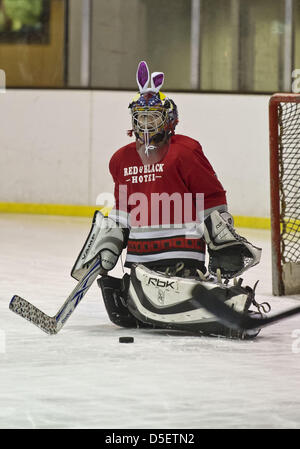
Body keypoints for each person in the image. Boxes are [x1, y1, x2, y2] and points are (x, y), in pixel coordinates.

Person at [72, 61, 264, 338]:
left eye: (153, 117)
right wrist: (107, 241)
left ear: (169, 118)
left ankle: (225, 303)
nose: (146, 123)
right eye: (141, 117)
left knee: (169, 305)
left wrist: (221, 240)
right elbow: (125, 209)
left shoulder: (185, 151)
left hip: (182, 252)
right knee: (137, 308)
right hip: (140, 257)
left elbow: (210, 196)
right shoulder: (120, 159)